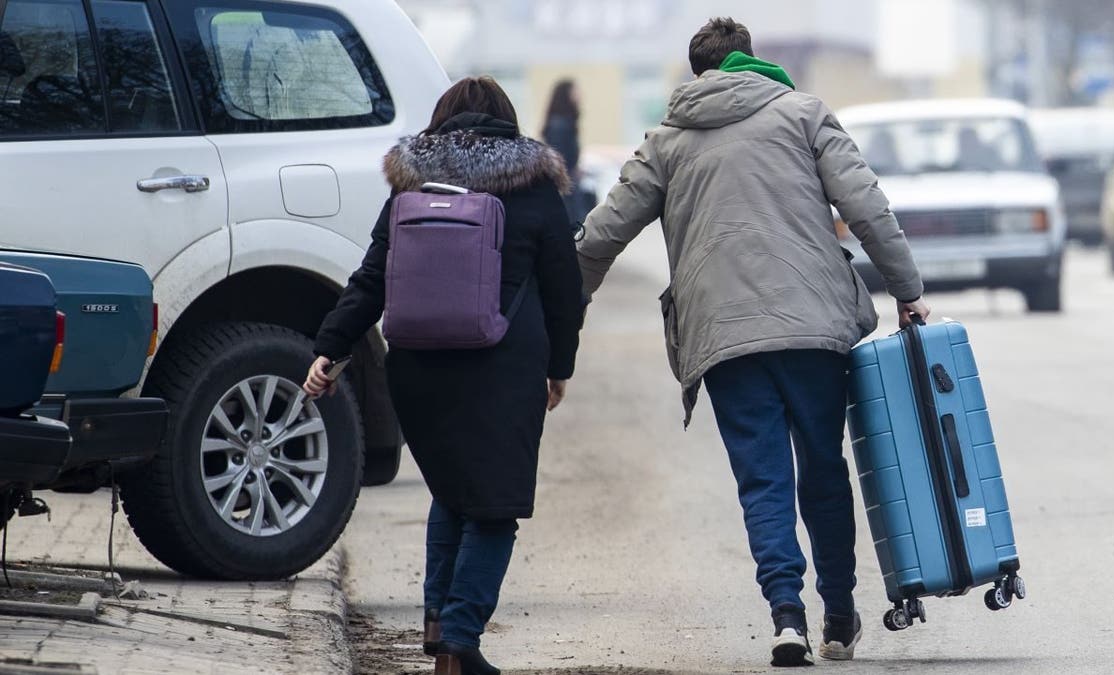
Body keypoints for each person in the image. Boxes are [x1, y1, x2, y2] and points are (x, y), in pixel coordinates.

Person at [575, 18, 930, 668]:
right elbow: (868, 205)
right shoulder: (803, 114)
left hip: (725, 339)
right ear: (749, 60)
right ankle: (840, 617)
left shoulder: (666, 142)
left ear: (697, 73)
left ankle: (786, 614)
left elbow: (600, 234)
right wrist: (907, 289)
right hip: (814, 329)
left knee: (762, 479)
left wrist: (567, 309)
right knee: (822, 469)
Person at [304, 76, 584, 675]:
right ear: (507, 123)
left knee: (453, 493)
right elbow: (565, 288)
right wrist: (560, 366)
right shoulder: (533, 186)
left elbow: (371, 277)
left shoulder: (411, 185)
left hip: (418, 369)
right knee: (493, 509)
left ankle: (437, 620)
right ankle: (459, 642)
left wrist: (330, 347)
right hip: (502, 368)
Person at [541, 79, 590, 224]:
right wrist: (572, 171)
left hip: (570, 182)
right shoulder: (559, 124)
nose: (579, 95)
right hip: (566, 186)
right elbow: (558, 158)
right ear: (566, 95)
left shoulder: (565, 122)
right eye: (575, 91)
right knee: (574, 226)